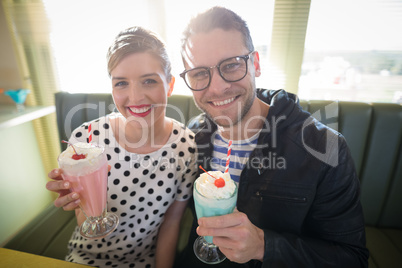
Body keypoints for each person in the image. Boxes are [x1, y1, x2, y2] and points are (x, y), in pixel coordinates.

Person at [175, 6, 369, 268]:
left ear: (255, 63)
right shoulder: (193, 136)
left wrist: (264, 246)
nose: (218, 87)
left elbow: (352, 259)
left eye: (231, 65)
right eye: (199, 73)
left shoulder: (324, 149)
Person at [46, 26, 198, 268]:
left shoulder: (186, 146)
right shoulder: (86, 139)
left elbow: (171, 223)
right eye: (121, 83)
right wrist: (79, 201)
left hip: (146, 261)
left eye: (149, 81)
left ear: (169, 84)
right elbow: (87, 229)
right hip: (86, 258)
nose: (135, 97)